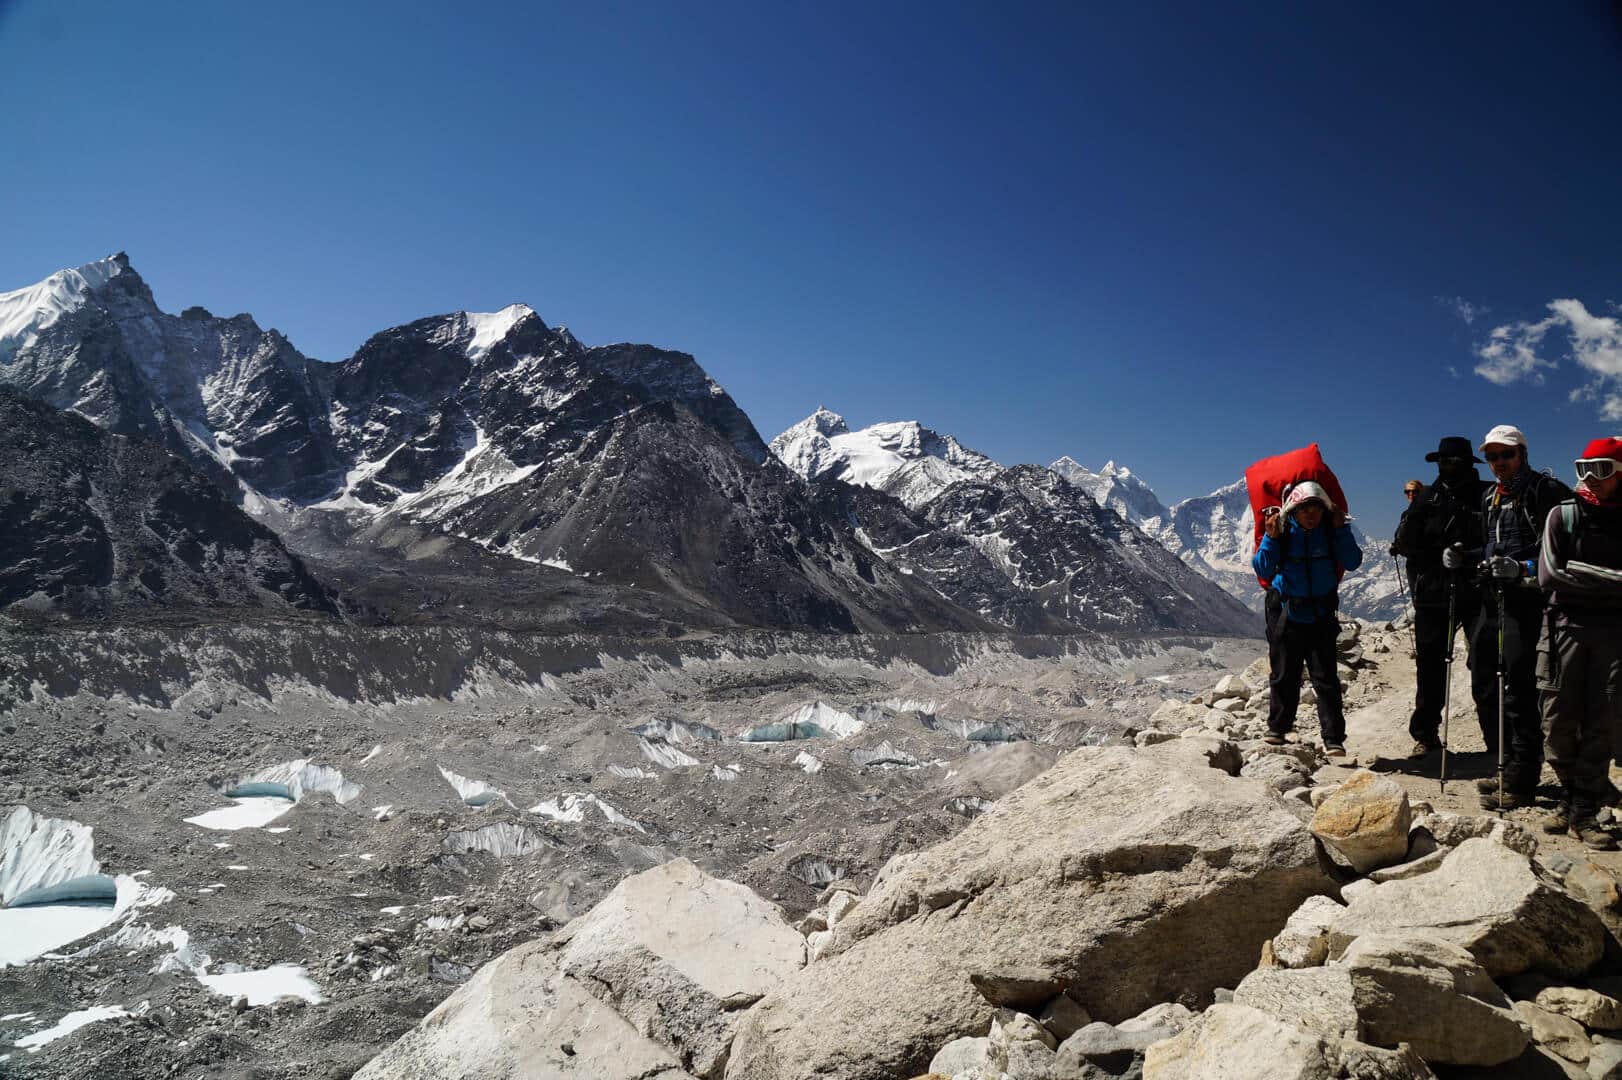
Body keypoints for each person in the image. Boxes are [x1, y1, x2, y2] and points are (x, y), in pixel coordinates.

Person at [1463, 425, 1572, 811]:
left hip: (1529, 605)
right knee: (1484, 679)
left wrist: (1523, 567)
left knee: (1520, 690)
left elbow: (1563, 549)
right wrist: (1467, 558)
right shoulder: (1491, 496)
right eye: (1492, 457)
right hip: (1493, 601)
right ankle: (1507, 764)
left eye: (1505, 455)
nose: (1498, 463)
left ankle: (1522, 780)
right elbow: (1491, 545)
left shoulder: (1546, 492)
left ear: (1522, 453)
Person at [1537, 437, 1622, 848]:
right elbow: (1549, 575)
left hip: (1613, 635)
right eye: (1582, 468)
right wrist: (1612, 581)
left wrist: (1581, 574)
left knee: (1603, 721)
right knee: (1556, 721)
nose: (1590, 477)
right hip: (1563, 630)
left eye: (1602, 469)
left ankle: (1584, 809)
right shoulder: (1563, 515)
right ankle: (1570, 797)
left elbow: (1564, 574)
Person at [1391, 438, 1490, 759]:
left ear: (1466, 464)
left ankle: (1498, 739)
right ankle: (1426, 733)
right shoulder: (1427, 499)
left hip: (1478, 591)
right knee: (1430, 667)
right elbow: (1405, 543)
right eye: (1443, 462)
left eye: (1452, 462)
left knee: (1486, 664)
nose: (1447, 468)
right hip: (1436, 592)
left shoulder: (1488, 496)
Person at [1254, 481, 1364, 755]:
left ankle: (1333, 738)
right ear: (1294, 509)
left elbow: (1352, 561)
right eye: (1305, 508)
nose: (1311, 514)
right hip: (1287, 611)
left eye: (1316, 508)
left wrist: (1341, 531)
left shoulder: (1330, 532)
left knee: (1325, 676)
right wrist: (1270, 538)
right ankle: (1278, 728)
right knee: (1284, 674)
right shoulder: (1281, 531)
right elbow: (1263, 568)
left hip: (1320, 613)